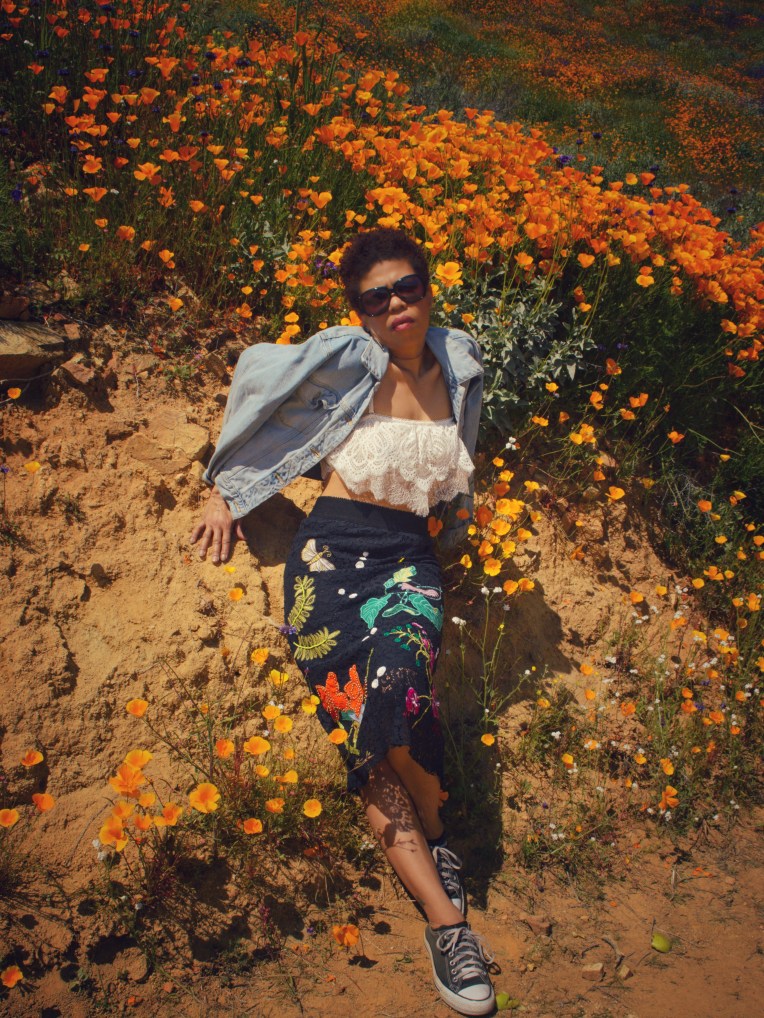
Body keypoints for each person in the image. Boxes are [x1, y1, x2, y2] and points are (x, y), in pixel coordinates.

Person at [190, 228, 495, 1016]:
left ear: (429, 288)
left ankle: (433, 828)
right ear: (358, 310)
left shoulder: (460, 367)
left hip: (406, 564)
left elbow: (458, 464)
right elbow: (260, 375)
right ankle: (446, 923)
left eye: (408, 287)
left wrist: (463, 521)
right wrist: (225, 485)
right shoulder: (349, 358)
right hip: (325, 569)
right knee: (367, 746)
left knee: (400, 689)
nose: (397, 305)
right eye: (376, 297)